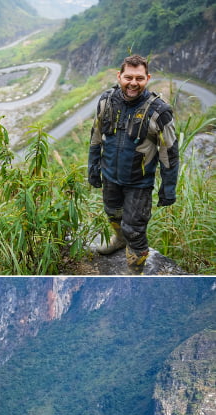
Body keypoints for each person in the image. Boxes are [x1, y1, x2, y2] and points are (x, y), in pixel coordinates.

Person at [88, 54, 178, 273]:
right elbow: (96, 136)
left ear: (147, 78)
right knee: (112, 213)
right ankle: (119, 240)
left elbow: (170, 153)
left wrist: (168, 190)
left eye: (139, 78)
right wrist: (93, 168)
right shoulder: (106, 101)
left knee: (135, 229)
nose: (133, 83)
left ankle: (134, 270)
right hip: (110, 176)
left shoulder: (159, 111)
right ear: (119, 76)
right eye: (129, 77)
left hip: (139, 182)